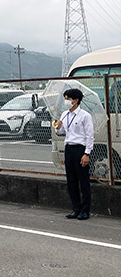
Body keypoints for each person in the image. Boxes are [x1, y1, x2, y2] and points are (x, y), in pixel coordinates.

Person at [54, 88, 93, 220]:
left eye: (68, 99)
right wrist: (58, 127)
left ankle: (85, 210)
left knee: (83, 180)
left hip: (80, 149)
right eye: (65, 98)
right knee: (71, 180)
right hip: (68, 148)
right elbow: (61, 132)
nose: (66, 101)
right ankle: (75, 208)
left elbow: (89, 136)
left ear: (76, 100)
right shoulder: (65, 114)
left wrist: (87, 153)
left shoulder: (85, 115)